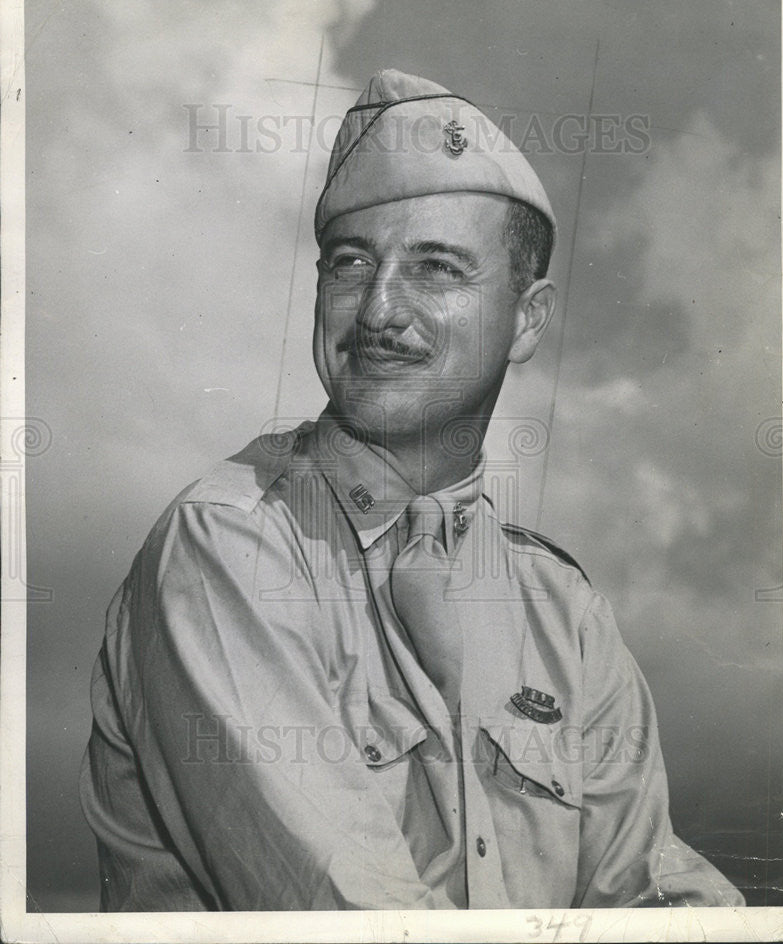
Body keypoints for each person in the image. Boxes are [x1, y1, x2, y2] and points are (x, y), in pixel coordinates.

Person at [79, 68, 745, 911]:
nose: (378, 310)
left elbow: (650, 898)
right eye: (350, 263)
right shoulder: (228, 546)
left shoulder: (559, 609)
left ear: (527, 319)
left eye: (435, 268)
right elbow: (358, 918)